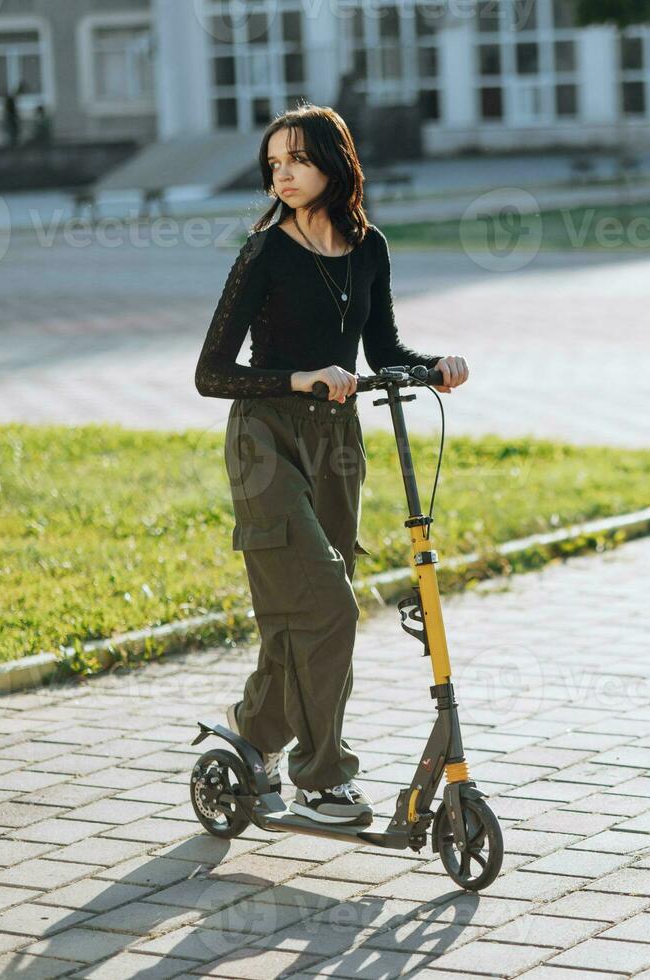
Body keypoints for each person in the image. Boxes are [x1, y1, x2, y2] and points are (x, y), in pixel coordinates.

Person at [194, 103, 469, 825]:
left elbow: (383, 351)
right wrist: (300, 377)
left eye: (298, 161)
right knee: (327, 604)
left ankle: (254, 733)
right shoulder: (264, 251)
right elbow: (211, 373)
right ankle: (322, 779)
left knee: (305, 613)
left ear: (334, 165)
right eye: (273, 163)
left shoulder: (368, 246)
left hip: (338, 443)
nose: (281, 174)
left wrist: (433, 366)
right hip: (267, 442)